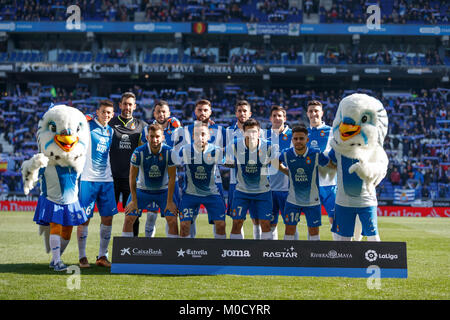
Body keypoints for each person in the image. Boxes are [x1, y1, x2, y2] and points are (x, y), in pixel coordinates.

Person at [174, 99, 226, 238]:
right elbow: (176, 154)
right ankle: (190, 251)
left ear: (211, 112)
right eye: (199, 110)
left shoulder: (221, 130)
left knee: (219, 222)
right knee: (189, 220)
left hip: (215, 181)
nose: (202, 113)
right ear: (195, 111)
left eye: (205, 110)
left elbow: (229, 152)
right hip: (191, 180)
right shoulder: (185, 130)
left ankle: (219, 252)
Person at [77, 100, 117, 268]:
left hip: (106, 180)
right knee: (84, 219)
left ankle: (102, 256)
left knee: (108, 218)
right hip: (88, 179)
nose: (106, 115)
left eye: (109, 113)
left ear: (112, 114)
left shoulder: (111, 131)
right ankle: (82, 256)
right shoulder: (86, 126)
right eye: (103, 112)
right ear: (97, 112)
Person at [277, 125, 335, 240]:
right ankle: (287, 256)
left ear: (307, 140)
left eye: (301, 138)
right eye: (295, 138)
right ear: (292, 139)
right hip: (293, 200)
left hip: (312, 201)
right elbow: (275, 162)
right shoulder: (286, 154)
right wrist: (287, 172)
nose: (298, 141)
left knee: (314, 232)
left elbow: (330, 165)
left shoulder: (316, 154)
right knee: (289, 231)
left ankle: (313, 256)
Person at [123, 124, 178, 238]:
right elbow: (132, 177)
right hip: (142, 191)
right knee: (129, 218)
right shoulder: (138, 152)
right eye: (152, 136)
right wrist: (133, 200)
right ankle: (125, 254)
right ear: (147, 137)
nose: (154, 140)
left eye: (157, 136)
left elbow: (172, 177)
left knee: (172, 219)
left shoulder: (169, 152)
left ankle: (173, 254)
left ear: (163, 137)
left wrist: (169, 202)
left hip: (163, 191)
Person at [226, 118, 278, 240]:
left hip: (263, 192)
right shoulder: (234, 144)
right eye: (248, 131)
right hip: (241, 191)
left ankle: (265, 254)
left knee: (265, 224)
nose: (251, 134)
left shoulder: (269, 146)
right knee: (237, 223)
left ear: (259, 133)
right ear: (243, 132)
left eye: (254, 132)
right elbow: (226, 161)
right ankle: (235, 253)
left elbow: (277, 164)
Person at [140, 100, 182, 237]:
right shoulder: (146, 129)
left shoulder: (176, 128)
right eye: (158, 111)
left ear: (169, 113)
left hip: (171, 178)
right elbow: (142, 151)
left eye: (164, 111)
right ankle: (148, 247)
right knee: (151, 215)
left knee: (171, 215)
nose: (161, 114)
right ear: (154, 113)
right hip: (152, 178)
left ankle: (171, 249)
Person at [109, 92, 147, 237]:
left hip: (131, 179)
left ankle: (133, 250)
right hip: (111, 178)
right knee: (107, 217)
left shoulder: (142, 125)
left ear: (135, 106)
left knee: (133, 216)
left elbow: (157, 135)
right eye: (125, 103)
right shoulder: (110, 123)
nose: (127, 107)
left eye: (130, 104)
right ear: (120, 105)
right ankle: (102, 254)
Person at [306, 100, 338, 239]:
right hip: (311, 185)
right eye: (311, 111)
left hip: (330, 184)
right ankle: (312, 253)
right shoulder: (303, 133)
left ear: (322, 113)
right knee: (312, 223)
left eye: (316, 110)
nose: (314, 114)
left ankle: (340, 251)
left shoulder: (332, 131)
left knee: (335, 219)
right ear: (307, 114)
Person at [225, 100, 253, 239]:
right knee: (237, 220)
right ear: (236, 113)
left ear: (250, 113)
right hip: (235, 182)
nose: (242, 113)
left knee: (258, 220)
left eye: (245, 111)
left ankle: (260, 251)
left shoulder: (259, 132)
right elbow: (225, 159)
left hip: (256, 183)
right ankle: (237, 253)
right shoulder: (228, 131)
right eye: (239, 111)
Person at [267, 105, 292, 240]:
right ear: (270, 118)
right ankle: (272, 254)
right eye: (274, 115)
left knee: (290, 224)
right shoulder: (263, 135)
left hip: (287, 188)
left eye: (280, 115)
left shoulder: (294, 135)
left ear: (285, 118)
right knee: (270, 224)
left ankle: (292, 252)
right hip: (268, 188)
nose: (277, 118)